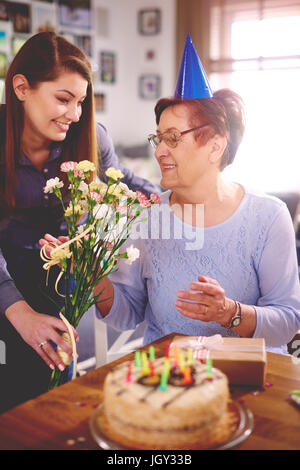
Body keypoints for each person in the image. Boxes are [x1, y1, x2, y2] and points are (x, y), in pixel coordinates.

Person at [94, 37, 300, 356]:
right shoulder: (145, 216)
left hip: (247, 377)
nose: (160, 151)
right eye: (158, 138)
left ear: (216, 146)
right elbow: (128, 312)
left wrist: (229, 312)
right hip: (166, 376)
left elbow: (288, 321)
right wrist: (93, 278)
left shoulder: (269, 216)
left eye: (174, 139)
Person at [0, 31, 155, 412]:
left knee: (51, 394)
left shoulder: (89, 136)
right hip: (5, 281)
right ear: (21, 88)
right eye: (64, 99)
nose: (76, 114)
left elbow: (130, 185)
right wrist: (19, 312)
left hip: (61, 283)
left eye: (82, 101)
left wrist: (190, 198)